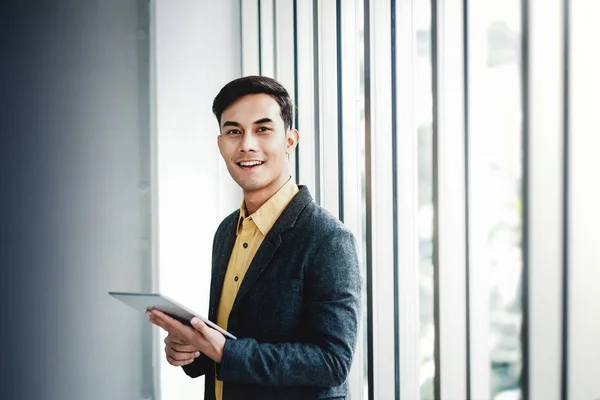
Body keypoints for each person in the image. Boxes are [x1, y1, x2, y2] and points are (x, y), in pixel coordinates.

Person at [147, 76, 362, 400]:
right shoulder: (226, 231)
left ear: (290, 140)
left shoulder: (328, 238)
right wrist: (195, 349)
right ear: (221, 145)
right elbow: (237, 338)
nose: (247, 144)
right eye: (234, 131)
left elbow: (332, 362)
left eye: (262, 129)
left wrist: (227, 353)